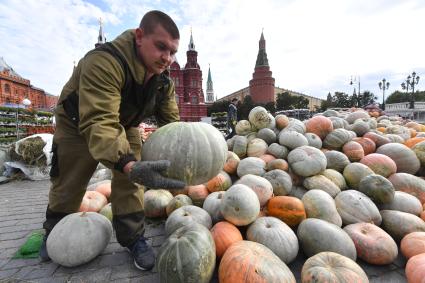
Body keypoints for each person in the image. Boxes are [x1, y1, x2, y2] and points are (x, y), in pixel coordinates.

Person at [39, 10, 186, 271]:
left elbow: (171, 123)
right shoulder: (104, 61)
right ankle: (53, 230)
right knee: (69, 180)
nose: (167, 58)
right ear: (140, 37)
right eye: (161, 47)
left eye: (173, 52)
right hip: (78, 122)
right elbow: (98, 120)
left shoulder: (163, 80)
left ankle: (133, 238)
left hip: (124, 123)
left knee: (132, 183)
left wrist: (183, 151)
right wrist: (128, 163)